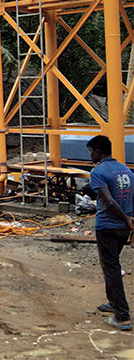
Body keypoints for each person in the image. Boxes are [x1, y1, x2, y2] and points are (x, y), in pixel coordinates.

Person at [87, 134, 134, 331]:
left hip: (108, 225)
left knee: (112, 268)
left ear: (98, 151)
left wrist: (127, 220)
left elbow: (110, 201)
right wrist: (131, 223)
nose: (90, 155)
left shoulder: (99, 172)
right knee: (111, 265)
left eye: (91, 151)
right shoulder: (126, 170)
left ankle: (122, 315)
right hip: (124, 227)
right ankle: (113, 302)